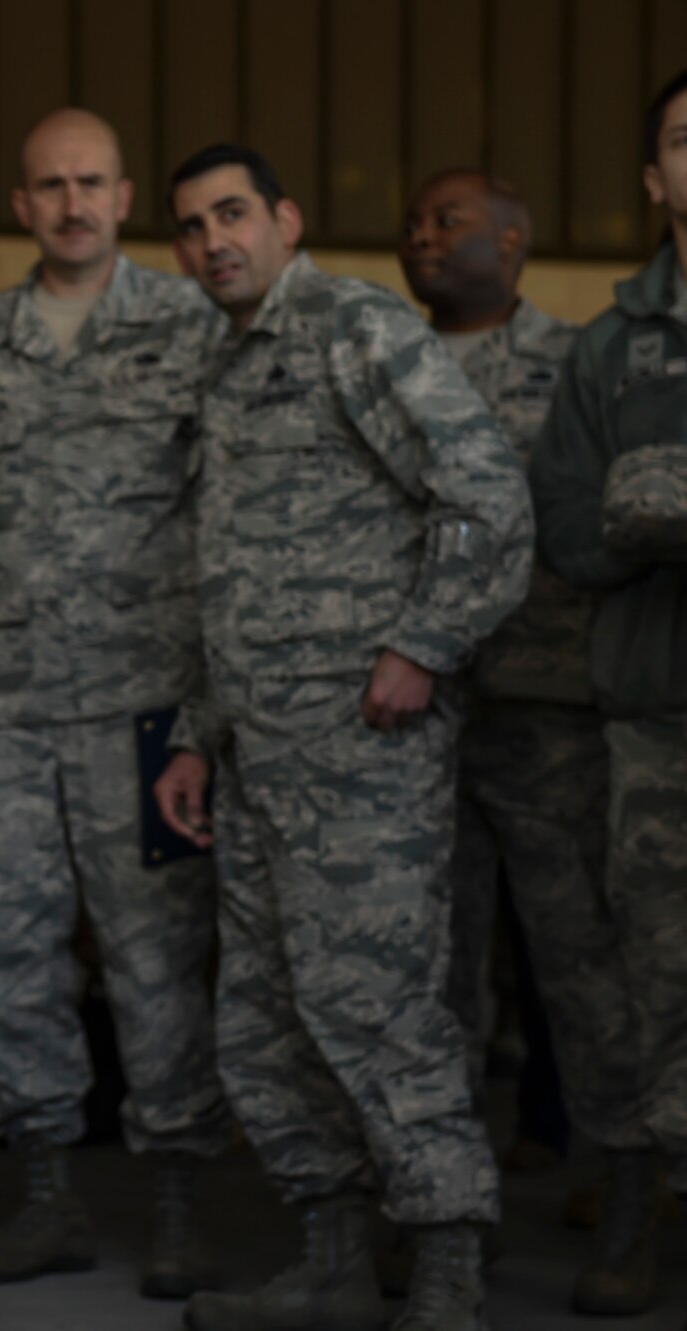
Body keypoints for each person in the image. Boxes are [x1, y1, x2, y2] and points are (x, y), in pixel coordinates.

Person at [155, 144, 531, 1331]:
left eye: (230, 214)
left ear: (283, 220)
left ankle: (447, 1270)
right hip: (257, 752)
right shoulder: (223, 365)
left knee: (377, 1005)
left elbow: (488, 495)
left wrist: (422, 642)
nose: (211, 239)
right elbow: (226, 578)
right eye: (188, 225)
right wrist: (194, 738)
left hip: (361, 750)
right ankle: (326, 1258)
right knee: (264, 1018)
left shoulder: (350, 327)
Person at [0, 109, 228, 1295]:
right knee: (4, 955)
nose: (71, 202)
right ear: (19, 205)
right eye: (48, 185)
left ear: (121, 195)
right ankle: (46, 1195)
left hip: (147, 708)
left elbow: (232, 497)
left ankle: (177, 1201)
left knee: (154, 958)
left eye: (89, 182)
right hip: (2, 706)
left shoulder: (188, 325)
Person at [399, 167, 650, 1313]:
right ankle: (448, 1204)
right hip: (417, 719)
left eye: (444, 219)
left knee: (581, 970)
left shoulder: (578, 359)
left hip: (548, 712)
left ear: (510, 238)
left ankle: (627, 1189)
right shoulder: (381, 365)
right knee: (432, 978)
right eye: (415, 219)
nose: (420, 235)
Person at [533, 68, 687, 1321]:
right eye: (686, 142)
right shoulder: (609, 345)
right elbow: (574, 531)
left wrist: (660, 498)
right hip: (654, 720)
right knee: (650, 978)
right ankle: (641, 1204)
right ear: (652, 176)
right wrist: (654, 509)